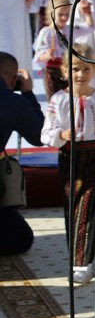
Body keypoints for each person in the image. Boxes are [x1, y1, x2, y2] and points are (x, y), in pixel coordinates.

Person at [41, 44, 95, 284]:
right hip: (70, 157)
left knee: (88, 207)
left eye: (86, 69)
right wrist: (61, 135)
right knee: (72, 207)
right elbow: (46, 131)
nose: (81, 74)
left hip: (94, 155)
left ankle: (83, 263)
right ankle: (77, 258)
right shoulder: (59, 99)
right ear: (64, 71)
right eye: (75, 69)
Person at [0, 53, 43, 255]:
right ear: (12, 78)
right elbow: (39, 136)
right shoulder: (12, 101)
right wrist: (27, 93)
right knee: (21, 238)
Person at [33, 0, 93, 101]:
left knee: (70, 99)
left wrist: (88, 13)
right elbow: (37, 58)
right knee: (56, 99)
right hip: (52, 72)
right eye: (60, 14)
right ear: (52, 13)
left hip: (68, 70)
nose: (64, 18)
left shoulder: (69, 29)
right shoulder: (46, 33)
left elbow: (89, 27)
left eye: (67, 14)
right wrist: (47, 55)